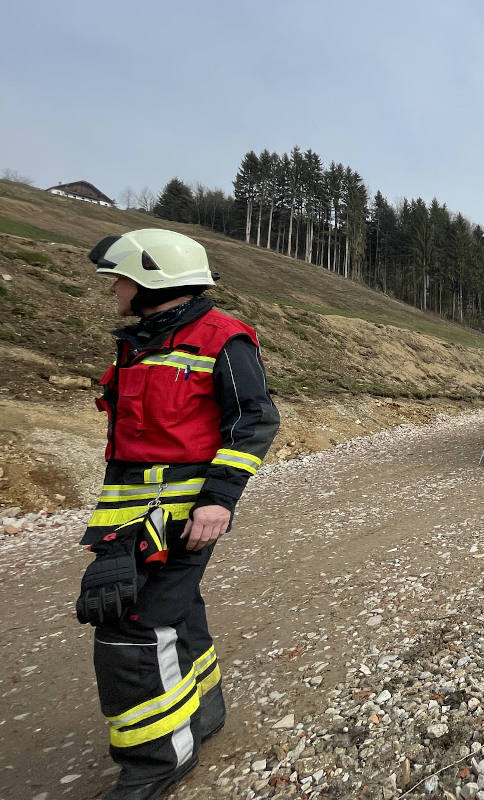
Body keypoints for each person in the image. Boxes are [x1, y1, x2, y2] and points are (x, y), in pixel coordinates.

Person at [78, 229, 279, 799]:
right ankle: (204, 711)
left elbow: (254, 422)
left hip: (186, 514)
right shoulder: (140, 342)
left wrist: (219, 499)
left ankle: (156, 759)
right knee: (175, 609)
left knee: (132, 626)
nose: (114, 289)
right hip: (129, 514)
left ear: (150, 281)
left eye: (120, 279)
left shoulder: (222, 340)